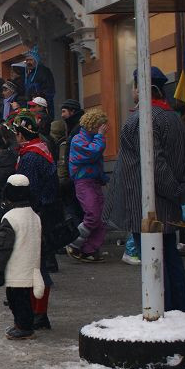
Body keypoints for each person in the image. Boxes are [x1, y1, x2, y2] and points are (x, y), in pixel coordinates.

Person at [105, 67, 185, 313]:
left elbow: (154, 165)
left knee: (155, 263)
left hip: (147, 204)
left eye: (135, 86)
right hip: (164, 201)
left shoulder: (143, 119)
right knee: (170, 258)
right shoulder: (173, 118)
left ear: (143, 88)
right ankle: (180, 313)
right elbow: (180, 161)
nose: (133, 91)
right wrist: (181, 193)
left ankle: (163, 315)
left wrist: (176, 192)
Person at [13, 110, 60, 330]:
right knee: (36, 265)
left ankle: (38, 313)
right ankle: (37, 311)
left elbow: (26, 188)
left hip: (35, 215)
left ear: (22, 134)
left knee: (35, 267)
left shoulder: (30, 157)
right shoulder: (40, 150)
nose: (15, 137)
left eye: (16, 133)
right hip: (43, 213)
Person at [0, 174, 44, 340]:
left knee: (16, 300)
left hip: (15, 267)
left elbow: (4, 247)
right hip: (31, 265)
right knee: (24, 299)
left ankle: (24, 327)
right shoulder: (35, 216)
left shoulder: (10, 218)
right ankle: (21, 324)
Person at [66, 109, 110, 262]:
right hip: (84, 182)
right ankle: (74, 243)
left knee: (101, 217)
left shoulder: (92, 138)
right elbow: (92, 152)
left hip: (94, 181)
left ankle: (90, 249)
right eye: (100, 126)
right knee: (92, 214)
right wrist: (100, 136)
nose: (103, 129)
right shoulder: (79, 140)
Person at [23, 48, 56, 116]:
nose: (28, 62)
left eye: (31, 60)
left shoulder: (44, 71)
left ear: (36, 60)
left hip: (41, 106)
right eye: (27, 60)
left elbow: (49, 89)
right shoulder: (29, 74)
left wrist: (40, 100)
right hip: (31, 105)